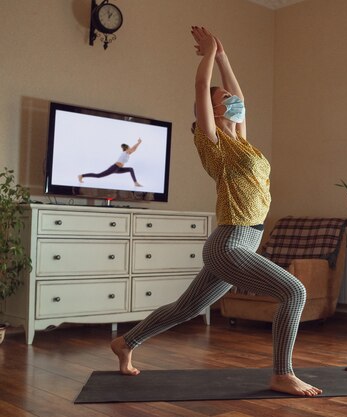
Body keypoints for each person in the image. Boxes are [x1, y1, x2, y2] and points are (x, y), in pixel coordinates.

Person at [110, 25, 322, 397]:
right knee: (295, 292)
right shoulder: (213, 144)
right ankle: (282, 373)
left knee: (185, 309)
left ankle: (126, 342)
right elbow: (200, 91)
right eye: (225, 98)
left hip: (242, 242)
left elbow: (240, 97)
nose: (235, 101)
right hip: (230, 245)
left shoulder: (242, 143)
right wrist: (208, 55)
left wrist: (223, 55)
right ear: (210, 109)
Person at [78, 139, 143, 187]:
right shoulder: (125, 152)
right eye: (129, 147)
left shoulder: (128, 154)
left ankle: (135, 183)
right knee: (98, 175)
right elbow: (133, 148)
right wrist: (138, 142)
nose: (130, 148)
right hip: (114, 168)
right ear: (127, 148)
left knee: (130, 169)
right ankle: (81, 176)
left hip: (118, 169)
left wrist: (138, 143)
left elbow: (134, 149)